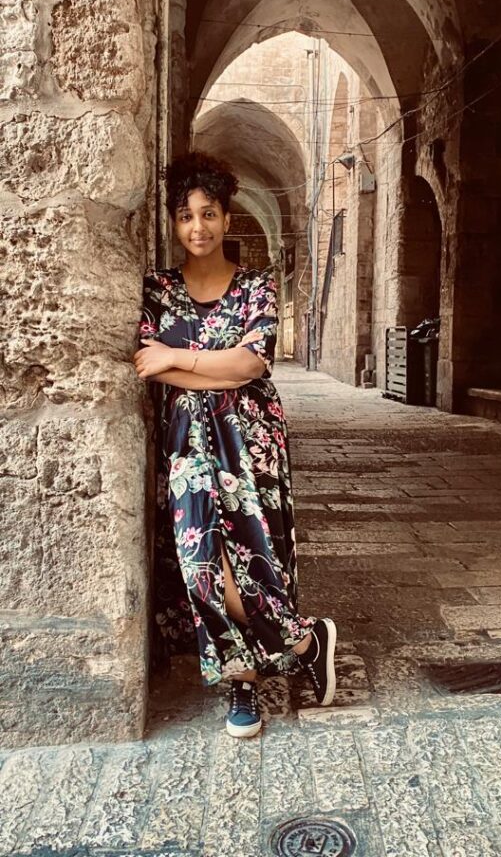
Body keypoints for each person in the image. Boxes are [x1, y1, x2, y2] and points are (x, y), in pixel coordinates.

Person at [133, 150, 337, 738]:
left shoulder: (256, 287)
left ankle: (243, 682)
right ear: (173, 223)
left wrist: (179, 356)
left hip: (251, 441)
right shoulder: (157, 290)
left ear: (226, 217)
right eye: (184, 216)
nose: (196, 227)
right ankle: (302, 640)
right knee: (202, 568)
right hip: (188, 446)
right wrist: (199, 365)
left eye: (209, 213)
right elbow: (150, 366)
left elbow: (252, 364)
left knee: (255, 561)